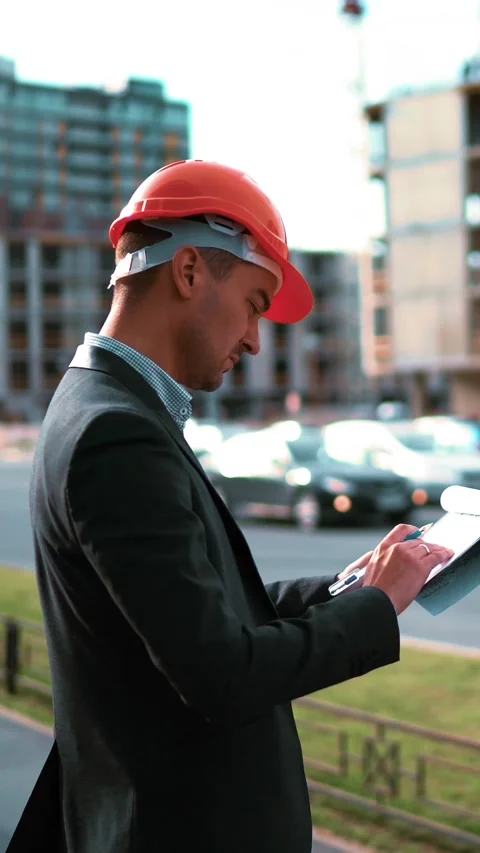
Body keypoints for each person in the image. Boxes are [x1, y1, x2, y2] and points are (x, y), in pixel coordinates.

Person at [12, 160, 453, 853]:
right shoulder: (115, 431)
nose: (255, 339)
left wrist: (353, 585)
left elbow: (194, 609)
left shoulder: (103, 407)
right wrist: (373, 612)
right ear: (189, 271)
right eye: (253, 301)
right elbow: (220, 672)